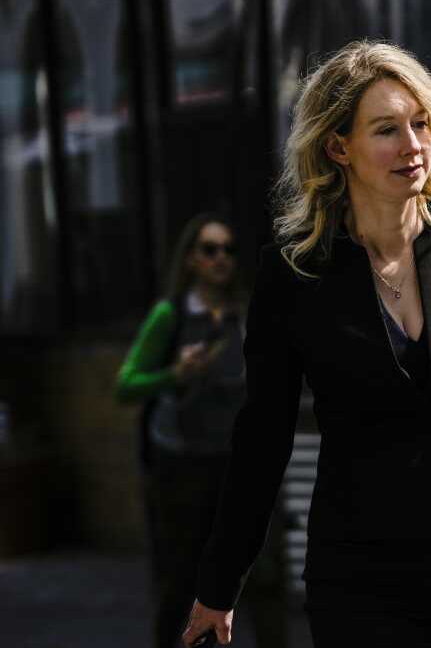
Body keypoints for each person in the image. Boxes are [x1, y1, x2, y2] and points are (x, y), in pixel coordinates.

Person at [181, 41, 431, 647]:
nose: (413, 146)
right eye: (387, 129)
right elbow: (263, 435)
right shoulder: (294, 275)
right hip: (363, 571)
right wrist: (219, 581)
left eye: (421, 124)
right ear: (339, 148)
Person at [116, 212, 283, 648]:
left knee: (262, 575)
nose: (220, 259)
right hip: (184, 466)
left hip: (239, 463)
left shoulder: (245, 313)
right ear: (190, 259)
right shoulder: (170, 316)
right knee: (183, 581)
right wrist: (175, 373)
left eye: (228, 249)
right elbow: (126, 385)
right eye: (209, 250)